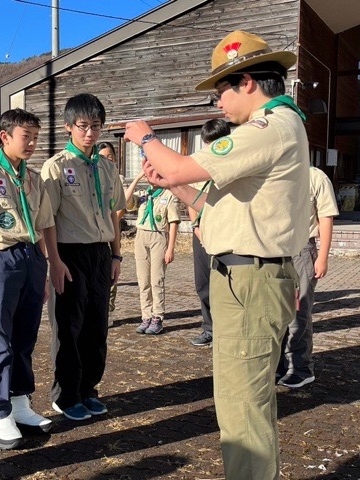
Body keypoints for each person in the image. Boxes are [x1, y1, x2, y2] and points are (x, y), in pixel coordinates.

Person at [124, 30, 310, 480]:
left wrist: (146, 137)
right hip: (244, 279)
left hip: (251, 281)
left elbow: (177, 162)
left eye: (221, 90)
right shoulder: (274, 128)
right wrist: (174, 184)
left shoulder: (269, 127)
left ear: (247, 82)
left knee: (243, 408)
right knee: (237, 401)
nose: (218, 104)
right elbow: (217, 205)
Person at [0, 108, 55, 450]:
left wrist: (44, 269)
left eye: (35, 136)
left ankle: (20, 402)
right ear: (5, 137)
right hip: (1, 259)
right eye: (25, 136)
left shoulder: (33, 178)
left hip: (31, 258)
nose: (31, 143)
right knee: (0, 336)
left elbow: (44, 225)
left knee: (26, 335)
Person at [41, 93, 126, 421]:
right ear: (68, 127)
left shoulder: (106, 167)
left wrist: (116, 256)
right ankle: (66, 395)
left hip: (101, 255)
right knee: (68, 326)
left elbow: (114, 213)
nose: (90, 133)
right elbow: (47, 219)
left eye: (96, 126)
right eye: (83, 126)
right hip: (69, 254)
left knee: (96, 325)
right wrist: (54, 261)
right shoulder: (56, 168)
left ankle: (89, 388)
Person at [277, 165, 339, 388]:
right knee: (278, 310)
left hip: (302, 249)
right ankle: (280, 365)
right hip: (276, 250)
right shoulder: (277, 172)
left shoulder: (315, 177)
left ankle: (301, 368)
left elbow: (326, 217)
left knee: (299, 311)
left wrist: (322, 257)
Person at [188, 119, 231, 346]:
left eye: (214, 143)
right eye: (207, 143)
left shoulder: (231, 166)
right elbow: (192, 199)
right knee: (202, 284)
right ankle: (209, 328)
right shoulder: (200, 167)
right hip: (200, 235)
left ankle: (225, 330)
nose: (210, 148)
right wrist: (195, 226)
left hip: (224, 237)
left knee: (223, 284)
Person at [125, 170, 180, 334]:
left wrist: (170, 248)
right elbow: (125, 201)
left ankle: (157, 317)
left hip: (159, 237)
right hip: (141, 236)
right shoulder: (143, 194)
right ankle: (146, 316)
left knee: (157, 279)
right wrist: (136, 178)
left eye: (156, 173)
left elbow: (174, 222)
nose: (152, 177)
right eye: (149, 174)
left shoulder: (169, 195)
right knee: (143, 280)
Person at [97, 141, 126, 315]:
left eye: (110, 157)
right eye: (102, 157)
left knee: (109, 279)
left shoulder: (114, 176)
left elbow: (118, 209)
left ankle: (108, 310)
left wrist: (117, 255)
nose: (107, 160)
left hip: (108, 236)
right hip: (90, 238)